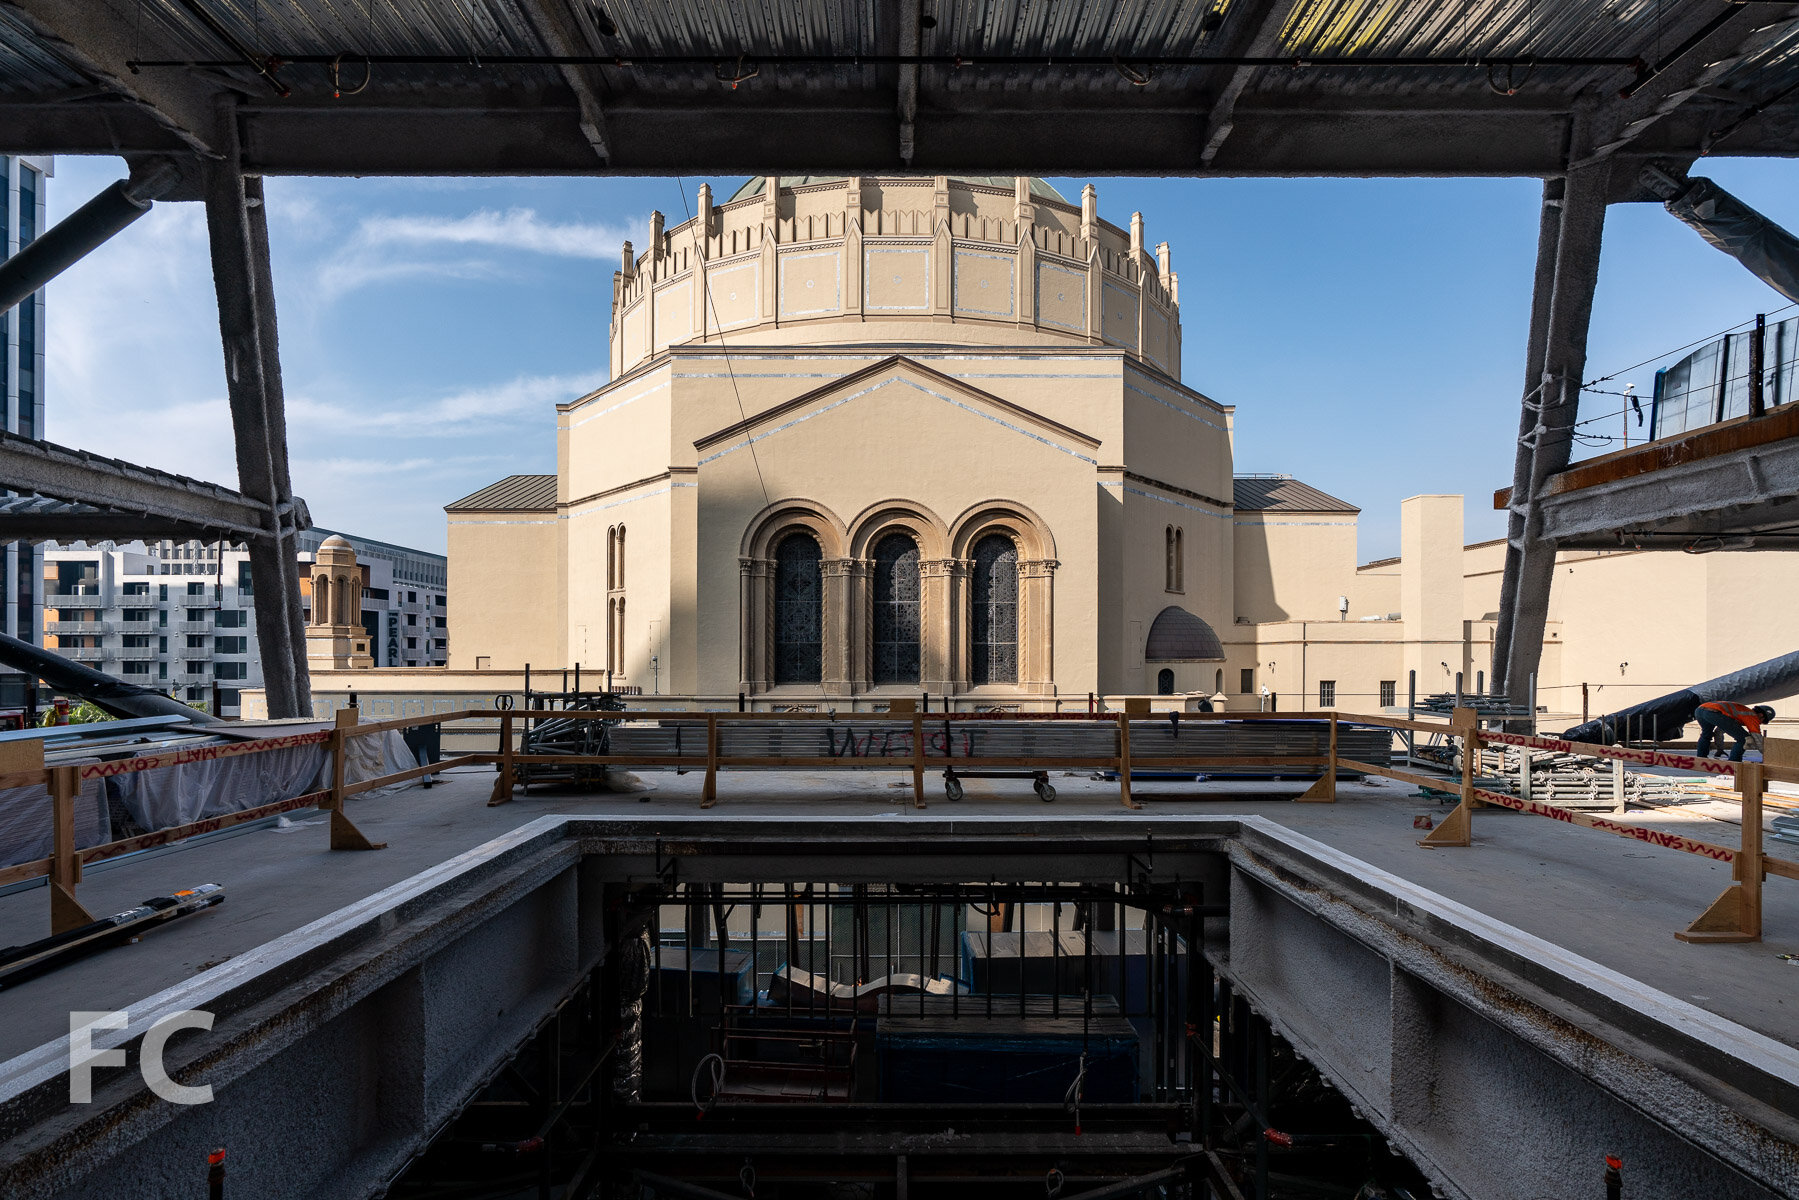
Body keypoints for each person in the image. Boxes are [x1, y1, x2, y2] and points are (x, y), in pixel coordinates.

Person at [1693, 701, 1777, 761]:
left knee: (1706, 734)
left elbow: (1719, 732)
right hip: (1713, 712)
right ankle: (1734, 762)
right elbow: (1757, 738)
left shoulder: (1737, 714)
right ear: (1761, 715)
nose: (1760, 724)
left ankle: (1701, 758)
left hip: (1699, 710)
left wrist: (1720, 749)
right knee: (1744, 739)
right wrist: (1768, 756)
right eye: (1762, 721)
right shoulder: (1752, 716)